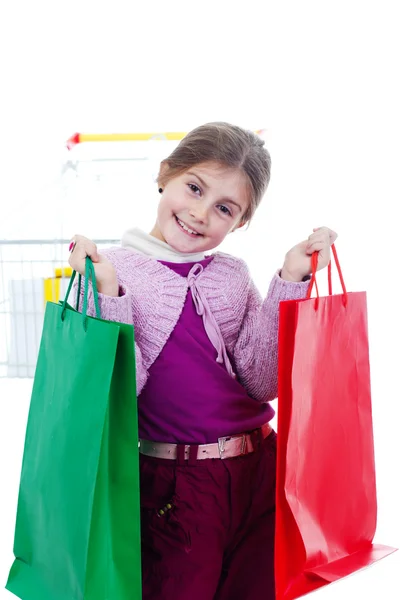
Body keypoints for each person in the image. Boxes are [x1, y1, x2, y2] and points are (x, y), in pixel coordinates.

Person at [68, 122, 337, 600]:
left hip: (261, 473)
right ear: (165, 173)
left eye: (224, 208)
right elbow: (115, 397)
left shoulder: (231, 274)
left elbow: (259, 379)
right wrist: (107, 295)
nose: (199, 213)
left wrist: (290, 278)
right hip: (175, 485)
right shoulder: (113, 269)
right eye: (194, 187)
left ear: (240, 223)